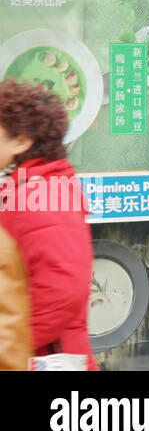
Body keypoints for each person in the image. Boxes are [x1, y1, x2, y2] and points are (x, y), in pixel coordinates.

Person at [0, 80, 95, 370]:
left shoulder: (41, 196)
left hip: (41, 359)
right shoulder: (28, 189)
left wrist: (10, 344)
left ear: (21, 140)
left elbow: (62, 290)